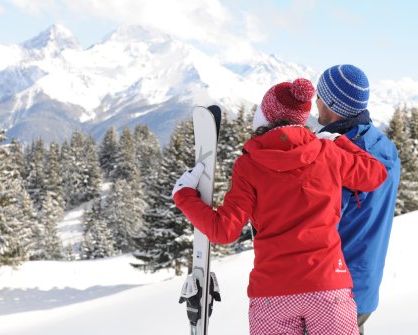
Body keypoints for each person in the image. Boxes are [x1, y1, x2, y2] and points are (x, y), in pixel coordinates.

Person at [172, 77, 388, 335]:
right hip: (328, 287)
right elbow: (376, 175)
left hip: (273, 294)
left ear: (265, 117)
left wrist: (184, 195)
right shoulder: (328, 153)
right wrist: (338, 141)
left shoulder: (248, 166)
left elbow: (223, 231)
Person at [315, 64, 401, 335]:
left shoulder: (342, 157)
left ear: (330, 103)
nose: (314, 101)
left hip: (335, 288)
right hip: (366, 283)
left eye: (319, 94)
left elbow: (315, 221)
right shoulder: (383, 146)